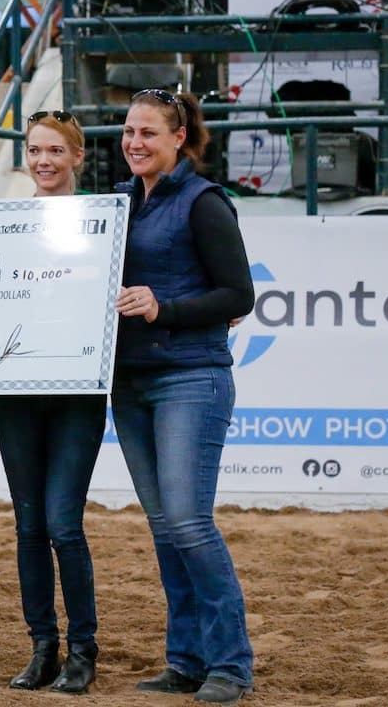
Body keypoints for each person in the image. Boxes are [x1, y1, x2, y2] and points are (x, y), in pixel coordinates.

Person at [111, 89, 255, 706]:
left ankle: (230, 664)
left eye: (148, 133)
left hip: (190, 376)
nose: (135, 143)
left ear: (177, 137)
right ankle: (186, 660)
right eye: (128, 132)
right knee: (168, 527)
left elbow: (239, 296)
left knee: (191, 525)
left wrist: (163, 308)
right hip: (130, 380)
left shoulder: (204, 202)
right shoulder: (119, 204)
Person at [0, 110, 106, 696]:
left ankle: (83, 650)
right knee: (29, 524)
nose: (44, 161)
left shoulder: (104, 222)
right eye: (35, 150)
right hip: (15, 394)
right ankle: (43, 647)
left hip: (76, 393)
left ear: (77, 157)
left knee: (63, 521)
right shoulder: (1, 222)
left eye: (56, 151)